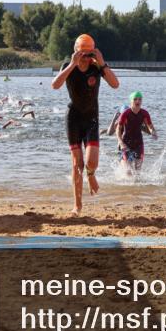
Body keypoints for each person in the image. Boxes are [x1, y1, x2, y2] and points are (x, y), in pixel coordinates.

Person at [50, 34, 120, 216]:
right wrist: (73, 64)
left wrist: (102, 62)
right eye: (83, 54)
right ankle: (77, 206)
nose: (86, 58)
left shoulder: (97, 67)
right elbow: (55, 85)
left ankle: (91, 175)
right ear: (76, 52)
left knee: (91, 162)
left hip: (91, 119)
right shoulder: (68, 67)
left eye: (90, 54)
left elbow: (115, 84)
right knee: (76, 164)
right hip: (73, 118)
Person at [116, 91, 157, 174]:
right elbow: (118, 130)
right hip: (126, 142)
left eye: (140, 99)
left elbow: (150, 126)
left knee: (137, 172)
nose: (138, 101)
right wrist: (121, 143)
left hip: (138, 144)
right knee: (128, 171)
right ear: (131, 101)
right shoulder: (125, 114)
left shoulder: (144, 113)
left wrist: (153, 132)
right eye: (135, 99)